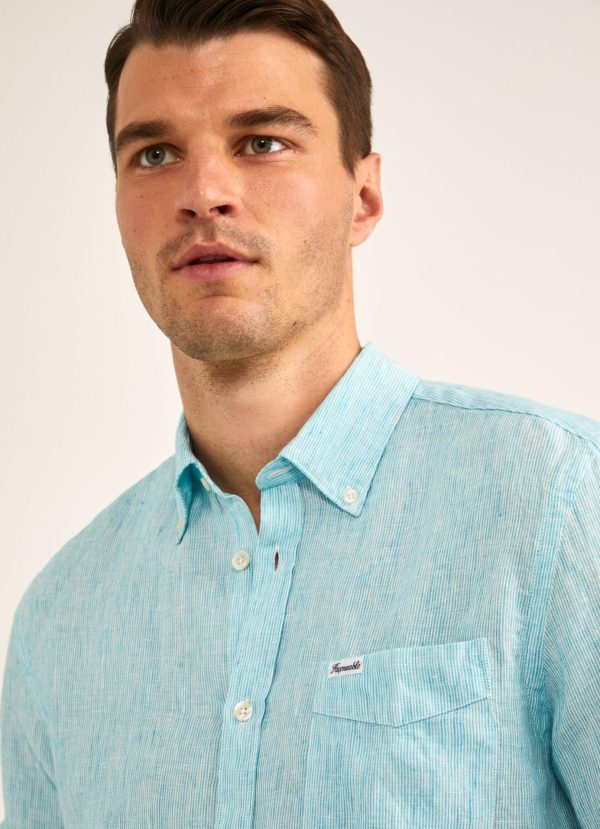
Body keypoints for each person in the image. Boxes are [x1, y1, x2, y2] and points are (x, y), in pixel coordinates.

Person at [1, 0, 598, 825]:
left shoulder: (559, 502)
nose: (203, 193)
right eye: (155, 153)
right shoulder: (61, 622)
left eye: (262, 142)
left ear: (364, 197)